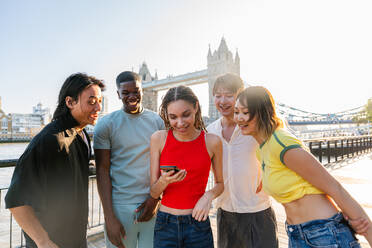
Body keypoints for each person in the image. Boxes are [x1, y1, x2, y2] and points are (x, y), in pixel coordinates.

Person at [234, 86, 372, 247]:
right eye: (236, 112)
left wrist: (367, 230)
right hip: (297, 234)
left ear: (263, 112)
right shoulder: (261, 150)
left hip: (325, 233)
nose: (239, 118)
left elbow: (334, 187)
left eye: (246, 112)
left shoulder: (281, 142)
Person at [5, 73, 105, 248]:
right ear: (70, 102)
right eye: (91, 101)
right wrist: (43, 241)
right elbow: (15, 200)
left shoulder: (81, 134)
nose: (98, 107)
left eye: (100, 101)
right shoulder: (48, 140)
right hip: (52, 242)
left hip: (76, 237)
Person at [94, 71, 164, 248]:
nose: (132, 96)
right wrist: (109, 218)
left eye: (136, 91)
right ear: (118, 94)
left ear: (142, 90)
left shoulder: (157, 121)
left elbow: (164, 164)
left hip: (154, 206)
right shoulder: (106, 124)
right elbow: (102, 170)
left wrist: (155, 199)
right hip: (120, 208)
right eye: (126, 93)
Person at [207, 73, 278, 248]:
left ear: (240, 96)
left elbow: (280, 157)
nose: (222, 101)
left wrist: (268, 176)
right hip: (225, 213)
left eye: (229, 95)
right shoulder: (210, 131)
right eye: (218, 95)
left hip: (258, 211)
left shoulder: (257, 128)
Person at [150, 85, 224, 248]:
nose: (180, 123)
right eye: (173, 117)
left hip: (198, 224)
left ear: (196, 107)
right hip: (165, 225)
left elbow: (220, 184)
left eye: (186, 115)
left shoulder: (212, 141)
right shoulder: (159, 139)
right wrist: (164, 181)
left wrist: (207, 196)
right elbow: (154, 192)